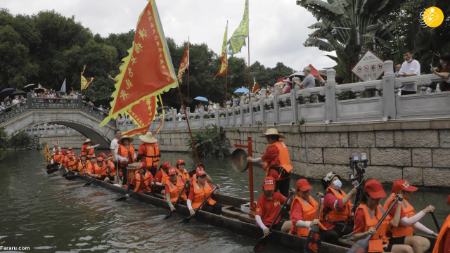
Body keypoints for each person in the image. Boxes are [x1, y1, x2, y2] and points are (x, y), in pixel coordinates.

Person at [352, 179, 413, 253]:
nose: (378, 201)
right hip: (369, 247)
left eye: (379, 198)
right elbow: (354, 237)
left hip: (382, 243)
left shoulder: (380, 208)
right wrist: (367, 233)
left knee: (408, 250)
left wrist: (399, 203)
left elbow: (393, 224)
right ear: (367, 196)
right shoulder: (361, 212)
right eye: (375, 198)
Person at [384, 179, 437, 253]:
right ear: (400, 192)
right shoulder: (395, 204)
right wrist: (425, 211)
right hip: (394, 237)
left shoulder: (404, 200)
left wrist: (432, 233)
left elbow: (414, 222)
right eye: (408, 192)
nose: (411, 193)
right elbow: (406, 222)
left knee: (427, 242)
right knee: (417, 242)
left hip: (406, 235)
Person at [247, 128, 293, 197]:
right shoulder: (282, 144)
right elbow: (276, 159)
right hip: (287, 172)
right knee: (284, 195)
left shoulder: (273, 147)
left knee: (270, 194)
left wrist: (252, 160)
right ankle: (286, 206)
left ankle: (272, 206)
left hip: (277, 175)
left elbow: (263, 158)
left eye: (267, 138)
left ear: (271, 138)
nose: (267, 139)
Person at [320, 171, 357, 244]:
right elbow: (338, 206)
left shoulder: (342, 193)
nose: (338, 181)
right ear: (329, 184)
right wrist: (351, 193)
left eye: (338, 179)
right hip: (331, 226)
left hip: (343, 224)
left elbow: (349, 208)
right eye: (335, 180)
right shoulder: (328, 196)